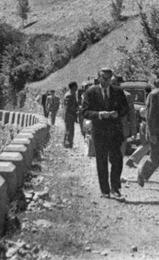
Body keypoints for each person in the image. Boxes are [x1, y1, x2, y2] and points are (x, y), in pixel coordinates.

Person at [82, 67, 130, 199]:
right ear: (99, 78)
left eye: (109, 78)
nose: (106, 81)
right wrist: (99, 114)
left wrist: (118, 113)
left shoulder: (118, 91)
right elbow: (85, 112)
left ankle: (115, 188)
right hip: (100, 131)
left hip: (115, 131)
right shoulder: (91, 92)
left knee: (117, 159)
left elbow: (125, 108)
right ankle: (105, 190)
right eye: (104, 78)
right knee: (101, 161)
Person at [125, 84, 154, 168]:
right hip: (146, 125)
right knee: (148, 144)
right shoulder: (149, 101)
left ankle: (134, 160)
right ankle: (133, 159)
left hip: (144, 124)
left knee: (148, 145)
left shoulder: (148, 101)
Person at [62, 81, 79, 148]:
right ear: (73, 87)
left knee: (70, 130)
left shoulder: (72, 94)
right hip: (69, 115)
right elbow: (68, 107)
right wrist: (78, 108)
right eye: (76, 86)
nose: (77, 87)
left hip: (70, 115)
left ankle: (69, 143)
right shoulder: (69, 95)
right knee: (69, 130)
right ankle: (67, 144)